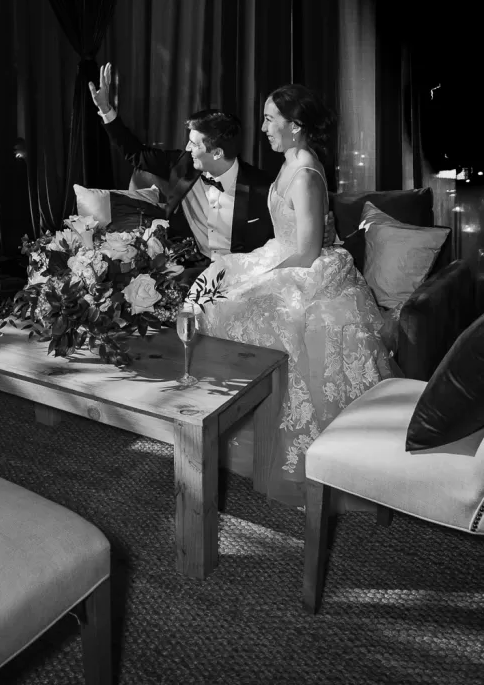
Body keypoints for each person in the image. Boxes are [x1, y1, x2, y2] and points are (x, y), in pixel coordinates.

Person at [195, 83, 394, 506]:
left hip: (308, 266)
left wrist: (259, 276)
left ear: (296, 125)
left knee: (248, 307)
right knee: (220, 292)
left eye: (270, 119)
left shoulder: (304, 173)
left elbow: (305, 251)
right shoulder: (289, 161)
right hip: (288, 255)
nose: (263, 127)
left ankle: (278, 444)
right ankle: (229, 429)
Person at [88, 63, 335, 272]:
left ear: (217, 153)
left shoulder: (262, 187)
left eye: (194, 144)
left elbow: (293, 236)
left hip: (240, 272)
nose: (186, 149)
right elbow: (137, 153)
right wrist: (106, 110)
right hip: (190, 268)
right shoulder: (182, 165)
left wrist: (325, 233)